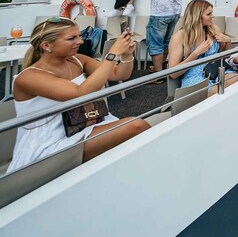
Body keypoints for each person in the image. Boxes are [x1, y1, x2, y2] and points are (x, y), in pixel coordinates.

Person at [8, 17, 149, 172]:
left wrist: (127, 55)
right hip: (51, 140)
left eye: (79, 36)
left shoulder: (76, 60)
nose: (81, 41)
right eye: (71, 38)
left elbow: (118, 74)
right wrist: (113, 53)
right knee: (136, 126)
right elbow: (79, 94)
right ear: (46, 45)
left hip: (83, 124)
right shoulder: (29, 77)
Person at [133, 0, 185, 76]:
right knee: (166, 42)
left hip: (160, 14)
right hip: (175, 13)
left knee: (155, 43)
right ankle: (161, 68)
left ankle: (158, 74)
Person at [168, 0, 238, 91]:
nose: (212, 16)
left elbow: (226, 55)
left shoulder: (214, 29)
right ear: (197, 16)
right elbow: (173, 74)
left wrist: (228, 41)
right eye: (209, 14)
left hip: (215, 69)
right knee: (215, 91)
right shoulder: (179, 36)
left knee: (234, 79)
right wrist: (195, 54)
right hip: (194, 76)